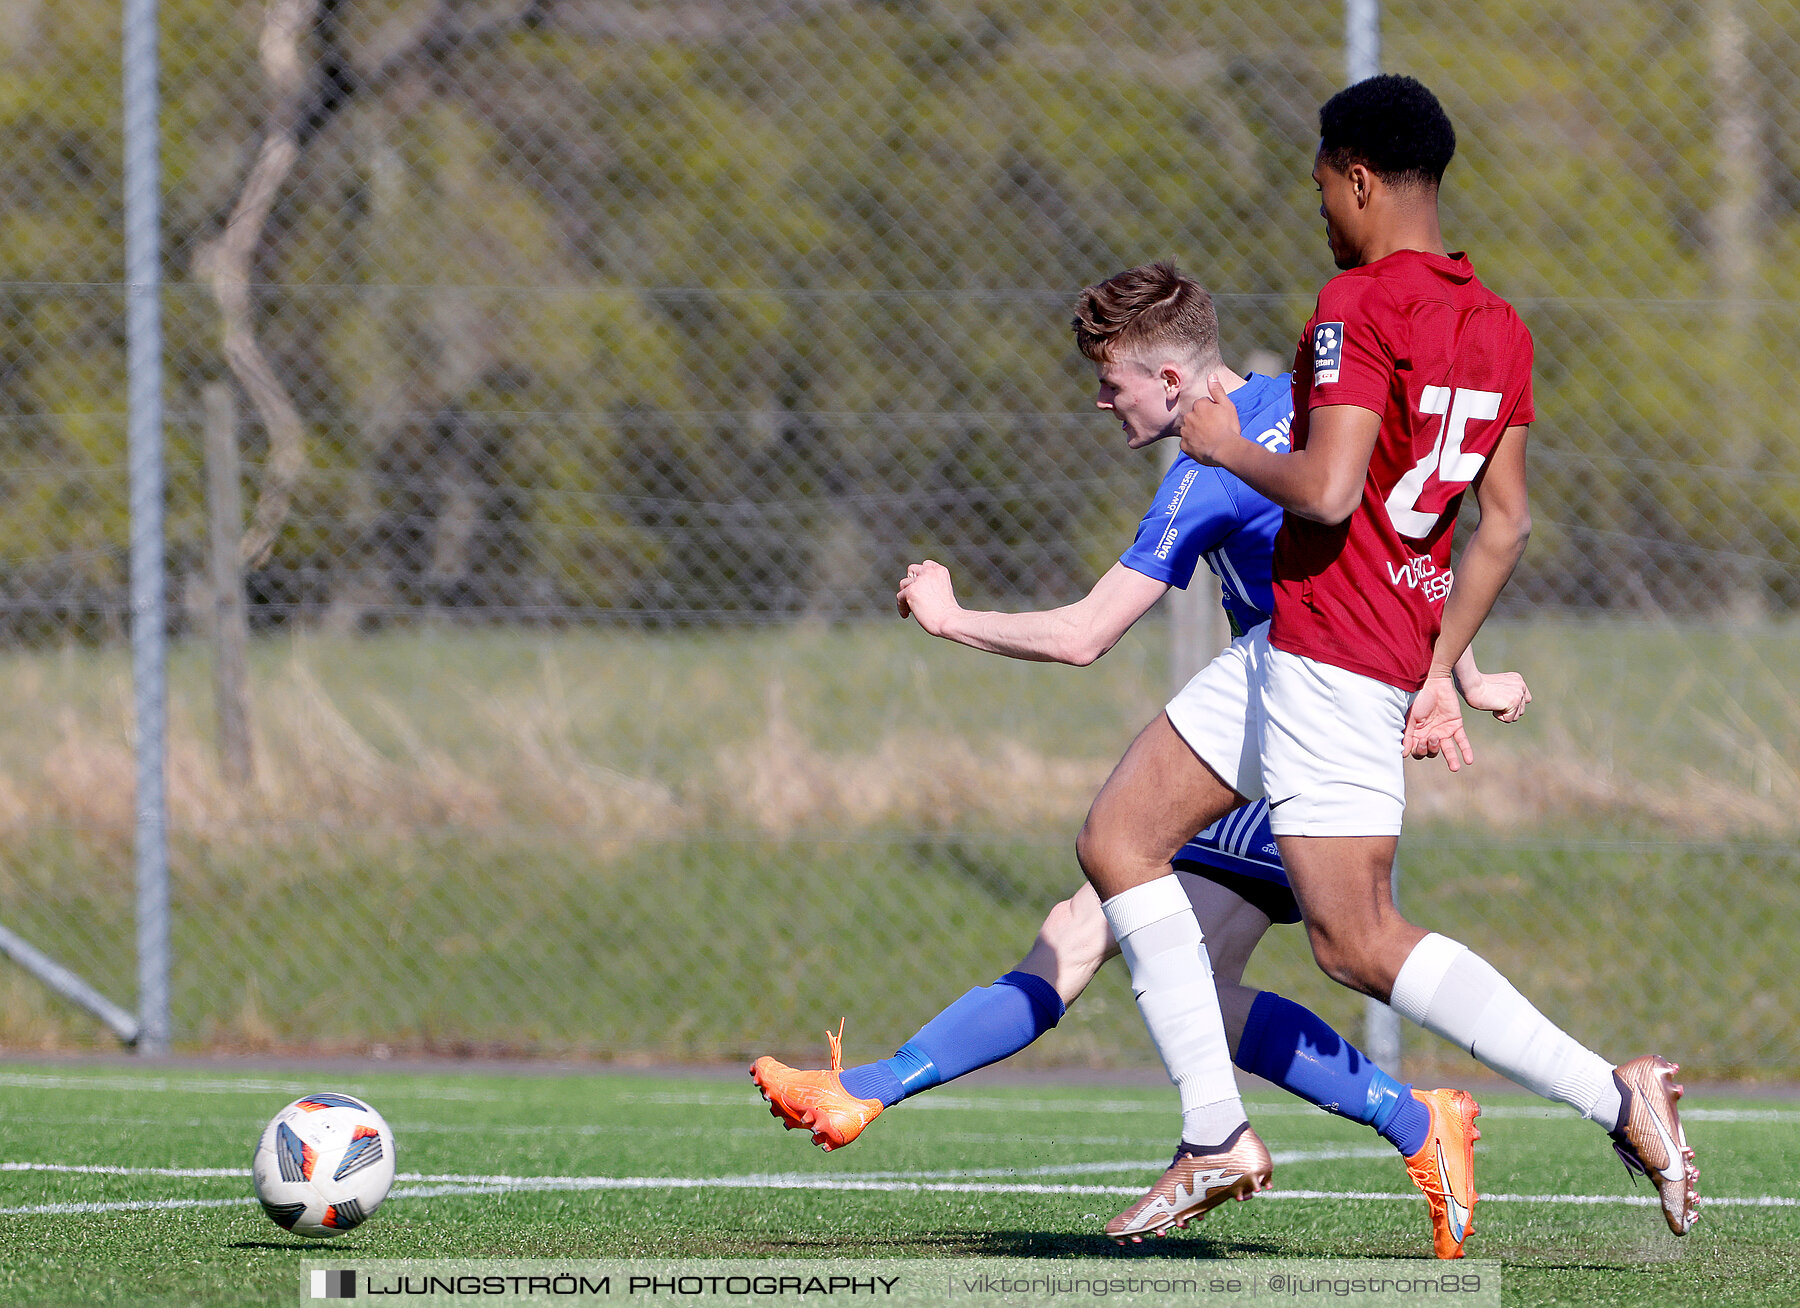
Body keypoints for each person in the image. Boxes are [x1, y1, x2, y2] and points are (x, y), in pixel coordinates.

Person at [750, 261, 1529, 1259]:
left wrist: (949, 619)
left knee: (1103, 925)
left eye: (1110, 380)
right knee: (1134, 951)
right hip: (1321, 711)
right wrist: (1460, 670)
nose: (1099, 398)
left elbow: (1085, 634)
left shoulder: (1207, 476)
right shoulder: (1309, 403)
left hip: (1296, 732)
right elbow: (1405, 533)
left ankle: (878, 1092)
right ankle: (1417, 1124)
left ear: (1170, 381)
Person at [1081, 76, 1697, 1248]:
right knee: (1117, 839)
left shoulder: (1354, 304)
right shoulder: (1502, 324)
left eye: (1322, 187)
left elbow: (1323, 486)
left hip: (1325, 649)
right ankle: (1215, 1134)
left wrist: (1221, 444)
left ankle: (1612, 1094)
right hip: (1322, 643)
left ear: (1359, 177)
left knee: (1354, 941)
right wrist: (1438, 661)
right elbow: (1503, 525)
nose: (1319, 210)